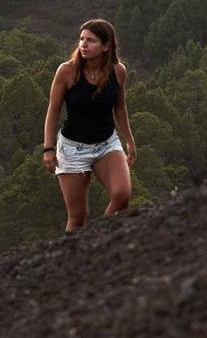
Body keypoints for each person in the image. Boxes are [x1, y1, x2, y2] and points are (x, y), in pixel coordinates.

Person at [41, 18, 136, 233]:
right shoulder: (67, 71)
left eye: (91, 41)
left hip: (106, 144)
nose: (83, 44)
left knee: (122, 195)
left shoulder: (118, 71)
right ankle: (72, 258)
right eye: (81, 39)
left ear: (106, 46)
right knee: (78, 219)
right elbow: (53, 110)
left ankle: (100, 239)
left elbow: (120, 109)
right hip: (73, 148)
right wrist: (48, 148)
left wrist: (129, 141)